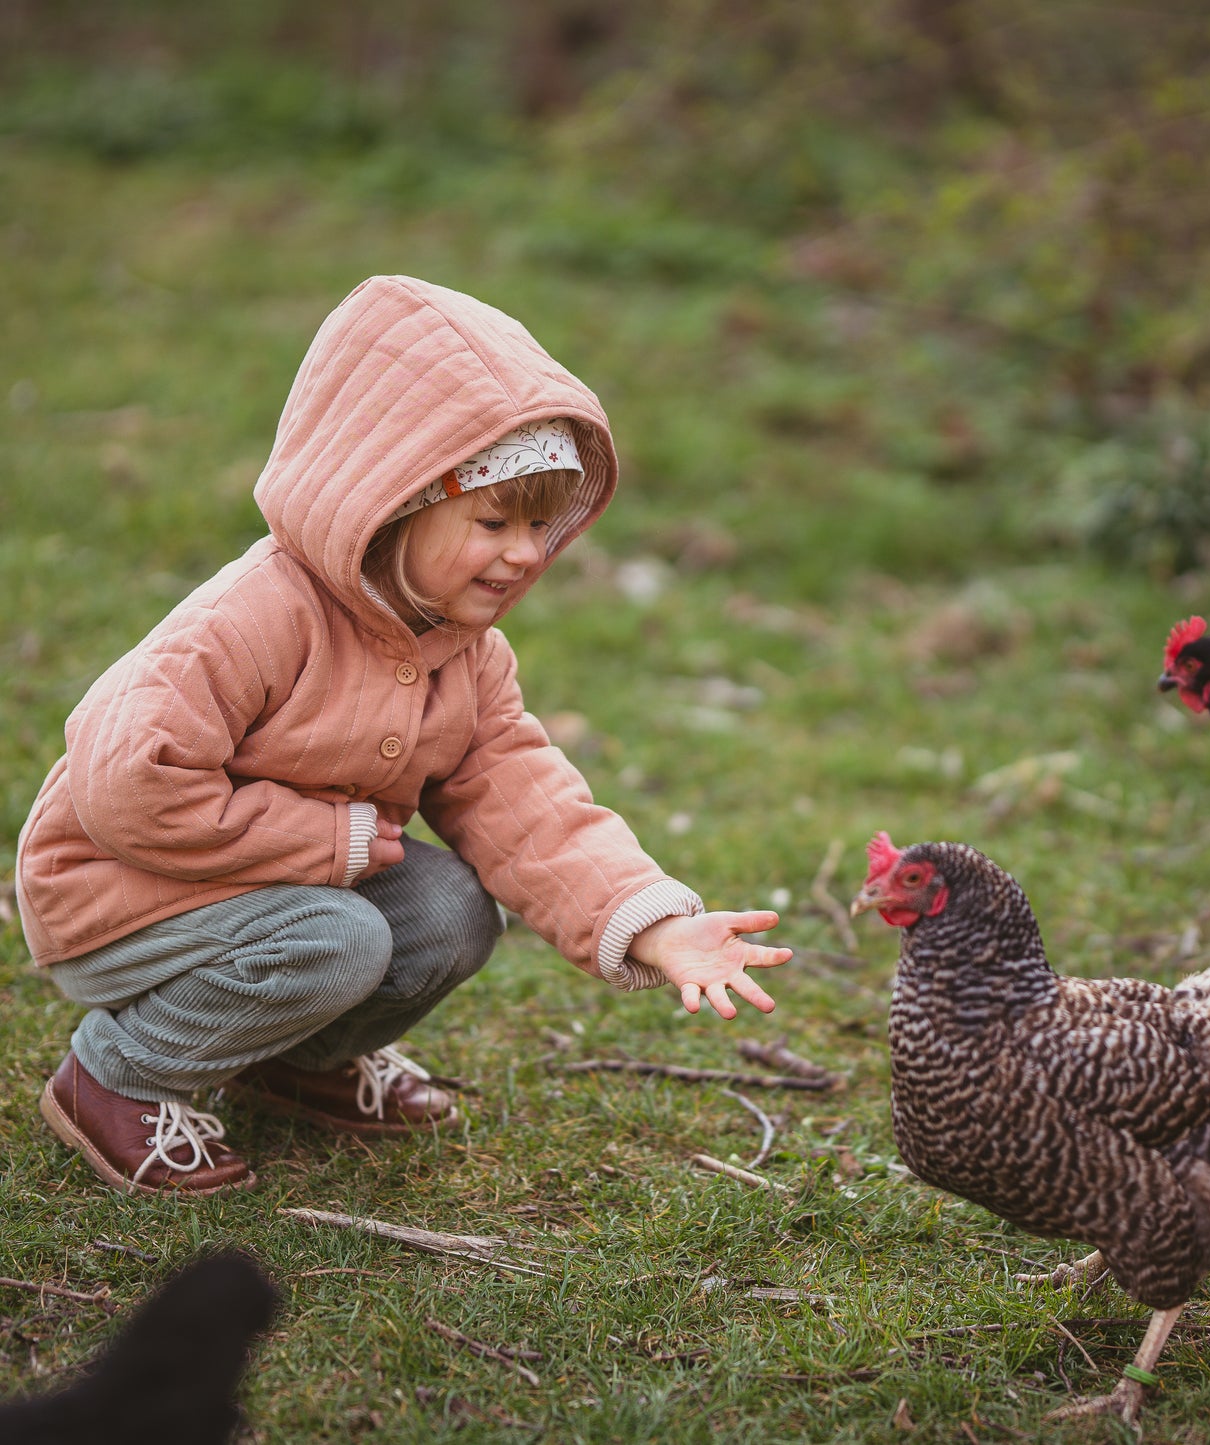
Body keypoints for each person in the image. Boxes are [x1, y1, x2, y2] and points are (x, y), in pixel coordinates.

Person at [15, 274, 791, 1197]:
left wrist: (653, 922)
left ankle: (296, 1060)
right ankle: (116, 1075)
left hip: (286, 893)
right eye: (494, 520)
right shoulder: (250, 618)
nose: (523, 553)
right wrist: (319, 840)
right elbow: (128, 784)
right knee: (338, 936)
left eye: (542, 525)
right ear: (390, 504)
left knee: (454, 910)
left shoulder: (464, 654)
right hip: (124, 891)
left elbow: (526, 802)